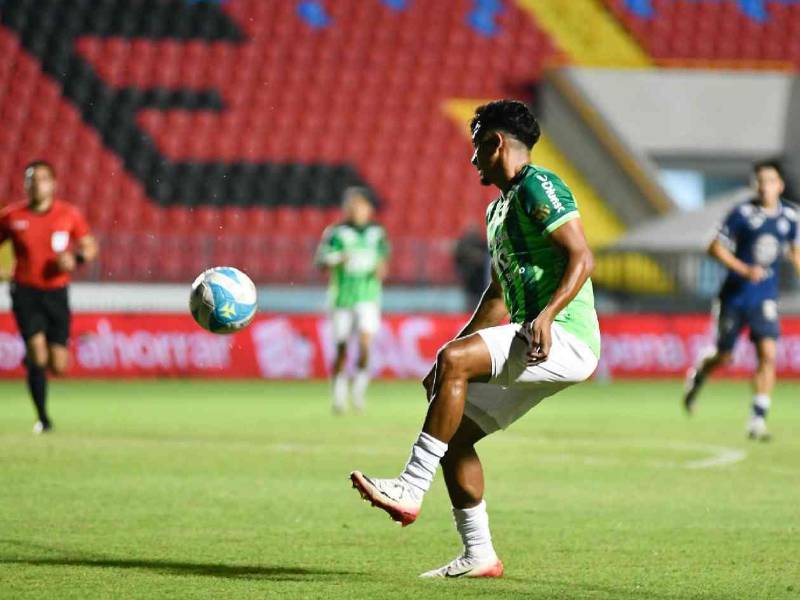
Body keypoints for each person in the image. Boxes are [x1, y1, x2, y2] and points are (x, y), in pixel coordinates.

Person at [349, 100, 600, 577]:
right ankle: (478, 554)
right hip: (538, 336)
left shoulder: (539, 185)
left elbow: (582, 256)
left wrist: (547, 314)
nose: (472, 160)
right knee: (455, 438)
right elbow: (499, 296)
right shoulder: (497, 210)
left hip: (565, 335)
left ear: (496, 142)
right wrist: (449, 361)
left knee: (454, 372)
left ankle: (408, 487)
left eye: (477, 147)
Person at [683, 160, 800, 441]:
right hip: (734, 296)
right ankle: (699, 375)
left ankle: (757, 419)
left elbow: (795, 252)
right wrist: (744, 269)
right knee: (724, 355)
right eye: (759, 181)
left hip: (764, 298)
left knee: (768, 354)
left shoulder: (791, 217)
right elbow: (714, 247)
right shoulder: (742, 214)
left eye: (769, 181)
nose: (764, 186)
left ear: (780, 185)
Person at [0, 161, 98, 433]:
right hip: (25, 292)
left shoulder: (68, 214)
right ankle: (43, 418)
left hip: (56, 292)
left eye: (42, 179)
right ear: (25, 184)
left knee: (58, 365)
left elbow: (90, 246)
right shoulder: (12, 216)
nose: (36, 184)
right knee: (38, 353)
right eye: (31, 179)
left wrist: (76, 258)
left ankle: (33, 359)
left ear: (53, 184)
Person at [315, 187, 389, 414]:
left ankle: (358, 392)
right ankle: (338, 395)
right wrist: (339, 258)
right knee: (341, 348)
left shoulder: (377, 233)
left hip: (368, 298)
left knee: (365, 345)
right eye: (353, 206)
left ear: (368, 209)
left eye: (361, 206)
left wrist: (379, 269)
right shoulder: (336, 232)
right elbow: (320, 262)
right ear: (346, 209)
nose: (357, 210)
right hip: (341, 299)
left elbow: (383, 263)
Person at [453, 224, 490, 310]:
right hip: (469, 285)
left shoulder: (483, 244)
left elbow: (486, 259)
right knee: (470, 309)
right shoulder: (463, 245)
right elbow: (457, 258)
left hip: (482, 284)